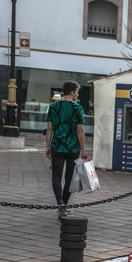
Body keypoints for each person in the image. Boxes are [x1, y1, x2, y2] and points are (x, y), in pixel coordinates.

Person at [45, 81, 88, 219]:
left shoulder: (53, 107)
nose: (77, 94)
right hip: (72, 147)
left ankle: (60, 202)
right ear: (71, 92)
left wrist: (48, 146)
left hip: (57, 146)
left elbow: (49, 128)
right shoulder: (78, 109)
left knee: (56, 177)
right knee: (69, 178)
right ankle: (63, 207)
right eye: (76, 92)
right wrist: (83, 150)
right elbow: (80, 131)